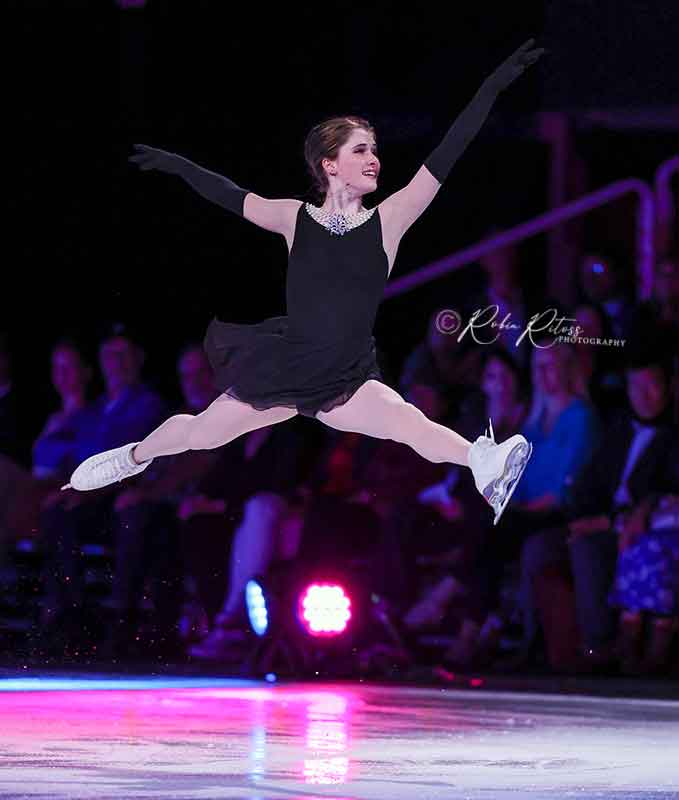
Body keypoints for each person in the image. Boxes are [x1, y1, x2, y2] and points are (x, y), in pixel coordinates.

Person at [62, 40, 547, 527]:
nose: (374, 159)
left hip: (346, 377)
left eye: (374, 150)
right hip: (287, 368)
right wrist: (179, 165)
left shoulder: (391, 219)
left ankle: (483, 459)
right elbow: (231, 194)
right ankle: (132, 456)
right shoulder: (293, 218)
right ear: (330, 164)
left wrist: (492, 86)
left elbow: (447, 152)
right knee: (202, 433)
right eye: (361, 149)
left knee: (407, 423)